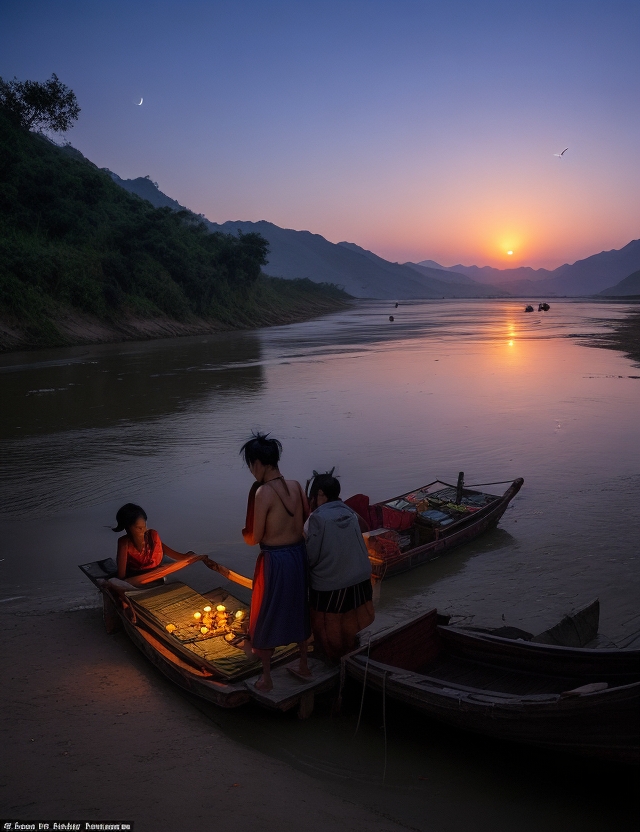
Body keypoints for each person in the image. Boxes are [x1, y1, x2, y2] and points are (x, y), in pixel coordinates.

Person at [240, 433, 311, 692]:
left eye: (251, 465)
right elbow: (306, 517)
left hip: (275, 559)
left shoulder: (263, 493)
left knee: (265, 612)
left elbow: (255, 537)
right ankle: (304, 664)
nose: (251, 470)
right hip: (298, 554)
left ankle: (266, 678)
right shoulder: (296, 485)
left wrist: (244, 533)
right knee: (298, 606)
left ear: (259, 463)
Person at [304, 472, 375, 661]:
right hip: (361, 578)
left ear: (320, 495)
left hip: (332, 584)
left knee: (323, 623)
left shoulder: (316, 519)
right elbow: (365, 528)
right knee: (350, 621)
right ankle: (352, 651)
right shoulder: (350, 513)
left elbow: (311, 558)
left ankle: (332, 657)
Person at [113, 502, 204, 585]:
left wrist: (191, 558)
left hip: (157, 574)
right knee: (121, 584)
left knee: (182, 563)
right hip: (137, 579)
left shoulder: (152, 535)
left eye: (145, 527)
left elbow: (172, 554)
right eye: (139, 528)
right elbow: (121, 576)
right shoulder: (124, 543)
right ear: (127, 528)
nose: (144, 531)